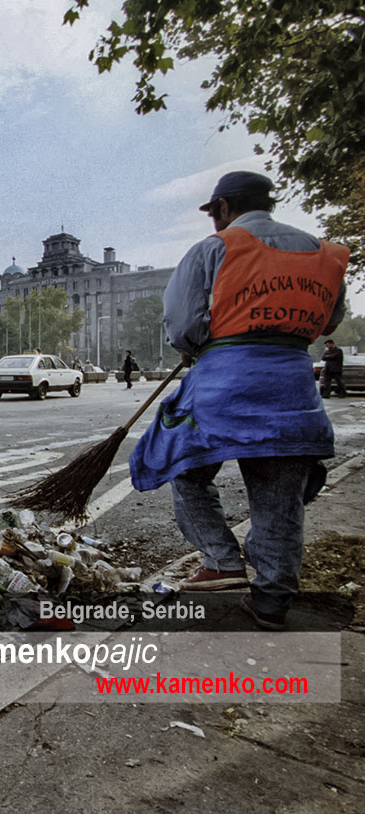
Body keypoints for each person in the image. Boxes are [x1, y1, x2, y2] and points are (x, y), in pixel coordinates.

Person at [129, 170, 348, 630]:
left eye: (215, 215)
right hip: (292, 385)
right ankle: (271, 603)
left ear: (224, 208)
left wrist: (197, 343)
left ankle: (222, 560)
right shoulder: (327, 255)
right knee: (279, 496)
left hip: (225, 384)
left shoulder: (214, 249)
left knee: (182, 466)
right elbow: (328, 321)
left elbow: (183, 323)